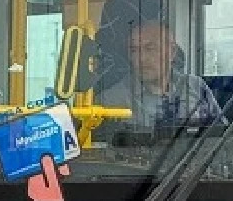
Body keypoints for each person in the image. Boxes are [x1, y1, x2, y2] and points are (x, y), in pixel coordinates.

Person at [96, 20, 224, 143]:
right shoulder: (109, 102)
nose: (141, 58)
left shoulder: (195, 86)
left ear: (172, 52)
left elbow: (221, 136)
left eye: (150, 48)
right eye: (134, 50)